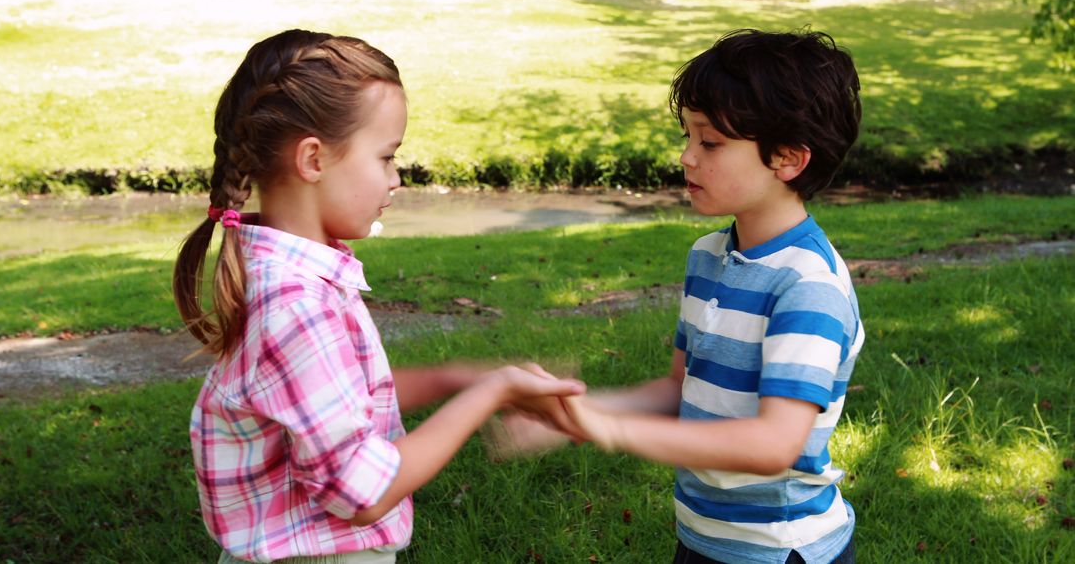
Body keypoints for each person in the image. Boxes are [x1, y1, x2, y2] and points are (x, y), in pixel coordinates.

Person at [172, 29, 585, 563]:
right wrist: (491, 395)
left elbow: (338, 406)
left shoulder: (284, 276)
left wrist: (460, 378)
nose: (396, 179)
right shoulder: (298, 305)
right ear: (314, 160)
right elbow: (361, 492)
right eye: (386, 157)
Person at [497, 29, 864, 563]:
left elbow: (773, 445)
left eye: (710, 142)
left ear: (787, 158)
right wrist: (573, 410)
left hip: (779, 550)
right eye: (687, 136)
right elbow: (678, 391)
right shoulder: (709, 256)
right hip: (702, 537)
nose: (687, 157)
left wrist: (613, 429)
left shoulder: (807, 285)